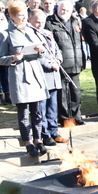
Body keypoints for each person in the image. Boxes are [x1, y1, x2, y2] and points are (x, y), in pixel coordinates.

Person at [0, 1, 49, 157]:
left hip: (35, 73)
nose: (24, 17)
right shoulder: (6, 34)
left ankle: (38, 139)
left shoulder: (32, 30)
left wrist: (41, 51)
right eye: (20, 15)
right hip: (19, 74)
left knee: (37, 111)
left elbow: (41, 52)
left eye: (25, 14)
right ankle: (28, 142)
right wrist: (13, 57)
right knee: (24, 111)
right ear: (12, 16)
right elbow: (0, 58)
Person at [28, 9, 67, 146]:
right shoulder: (29, 35)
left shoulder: (47, 33)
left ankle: (53, 131)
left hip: (54, 75)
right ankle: (45, 134)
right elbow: (34, 54)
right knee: (42, 108)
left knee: (53, 107)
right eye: (37, 22)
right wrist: (49, 64)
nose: (40, 25)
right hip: (42, 75)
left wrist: (58, 60)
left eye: (42, 22)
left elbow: (57, 49)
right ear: (30, 20)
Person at [45, 0, 86, 126]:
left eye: (67, 10)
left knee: (76, 92)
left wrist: (82, 60)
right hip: (61, 64)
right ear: (57, 9)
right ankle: (65, 117)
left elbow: (79, 42)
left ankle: (76, 115)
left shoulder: (75, 21)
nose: (64, 12)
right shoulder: (50, 23)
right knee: (62, 94)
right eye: (62, 9)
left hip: (75, 61)